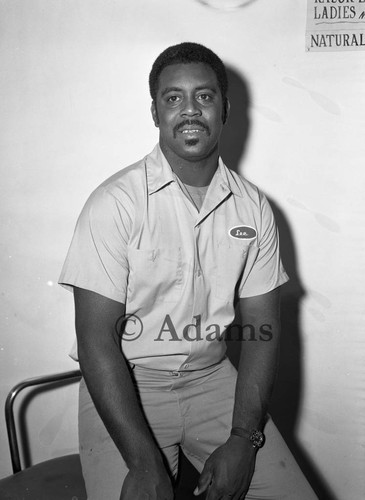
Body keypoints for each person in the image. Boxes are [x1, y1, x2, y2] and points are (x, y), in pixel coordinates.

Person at [59, 42, 317, 500]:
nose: (190, 110)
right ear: (156, 113)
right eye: (173, 98)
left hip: (214, 381)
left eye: (204, 96)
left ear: (226, 109)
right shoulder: (114, 203)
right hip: (128, 384)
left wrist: (243, 438)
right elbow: (96, 340)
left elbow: (262, 326)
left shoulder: (254, 208)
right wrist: (143, 463)